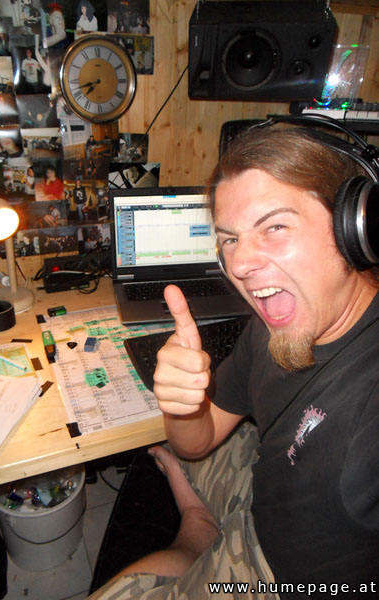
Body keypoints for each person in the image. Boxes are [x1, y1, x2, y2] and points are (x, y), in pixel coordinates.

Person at [87, 123, 379, 599]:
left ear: (357, 227)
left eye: (275, 227)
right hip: (264, 488)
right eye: (229, 239)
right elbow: (197, 441)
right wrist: (182, 407)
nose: (239, 264)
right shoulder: (269, 326)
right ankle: (201, 526)